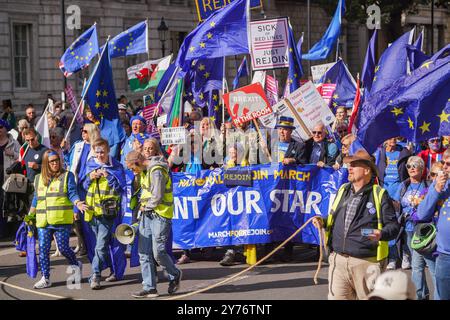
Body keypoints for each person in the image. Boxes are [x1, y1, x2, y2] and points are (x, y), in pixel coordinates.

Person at [314, 149, 399, 300]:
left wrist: (381, 234)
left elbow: (393, 227)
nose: (349, 168)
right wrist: (323, 221)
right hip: (338, 261)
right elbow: (334, 217)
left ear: (367, 170)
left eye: (354, 165)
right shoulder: (343, 189)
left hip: (366, 264)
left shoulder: (379, 194)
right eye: (349, 165)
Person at [27, 150, 87, 289]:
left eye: (57, 160)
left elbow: (72, 193)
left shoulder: (67, 176)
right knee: (43, 248)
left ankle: (75, 264)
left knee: (64, 248)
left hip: (61, 220)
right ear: (45, 164)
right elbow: (36, 198)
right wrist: (30, 216)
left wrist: (77, 203)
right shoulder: (38, 178)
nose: (55, 163)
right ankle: (45, 278)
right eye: (52, 161)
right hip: (43, 221)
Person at [132, 142, 182, 298]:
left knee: (158, 252)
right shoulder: (145, 170)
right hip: (147, 214)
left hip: (160, 215)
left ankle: (175, 274)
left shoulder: (156, 170)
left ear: (137, 163)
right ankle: (149, 287)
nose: (133, 171)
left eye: (133, 168)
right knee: (143, 253)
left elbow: (158, 196)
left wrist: (145, 207)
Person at [392, 156, 439, 299]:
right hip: (408, 229)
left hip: (424, 230)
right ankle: (421, 295)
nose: (411, 168)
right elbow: (396, 204)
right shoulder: (403, 185)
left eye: (415, 165)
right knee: (416, 266)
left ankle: (441, 294)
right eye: (409, 166)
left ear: (422, 169)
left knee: (431, 266)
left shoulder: (428, 186)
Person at [84, 138, 125, 289]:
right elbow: (83, 184)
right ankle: (112, 269)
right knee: (100, 245)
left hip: (108, 213)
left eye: (102, 151)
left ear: (108, 151)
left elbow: (120, 188)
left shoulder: (116, 166)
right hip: (92, 212)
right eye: (97, 152)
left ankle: (95, 275)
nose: (100, 155)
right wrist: (90, 177)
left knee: (100, 245)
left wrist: (108, 176)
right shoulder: (90, 164)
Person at [417, 147, 450, 300]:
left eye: (449, 164)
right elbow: (422, 213)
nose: (444, 167)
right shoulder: (440, 186)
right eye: (444, 163)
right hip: (444, 255)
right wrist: (436, 189)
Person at [65, 123, 100, 256]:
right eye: (82, 130)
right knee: (76, 216)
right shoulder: (78, 145)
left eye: (85, 131)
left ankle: (93, 243)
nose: (82, 133)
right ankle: (83, 244)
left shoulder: (97, 146)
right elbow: (69, 161)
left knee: (89, 215)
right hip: (76, 184)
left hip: (89, 185)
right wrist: (64, 150)